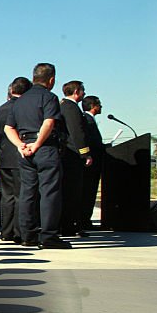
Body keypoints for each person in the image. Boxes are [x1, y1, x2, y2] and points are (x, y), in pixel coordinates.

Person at [4, 62, 68, 249]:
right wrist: (38, 144)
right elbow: (49, 122)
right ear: (52, 79)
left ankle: (27, 235)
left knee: (27, 192)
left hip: (25, 149)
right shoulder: (49, 97)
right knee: (49, 192)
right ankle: (48, 236)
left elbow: (9, 127)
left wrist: (20, 146)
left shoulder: (19, 101)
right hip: (44, 147)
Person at [0, 77, 32, 241]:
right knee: (20, 195)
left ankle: (6, 231)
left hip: (4, 156)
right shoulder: (23, 107)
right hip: (19, 154)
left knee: (7, 196)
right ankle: (18, 232)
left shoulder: (1, 108)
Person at [59, 80, 91, 237]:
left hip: (68, 154)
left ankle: (68, 223)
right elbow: (77, 132)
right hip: (72, 155)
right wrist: (85, 153)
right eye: (82, 90)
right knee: (72, 191)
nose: (84, 94)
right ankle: (69, 225)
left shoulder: (65, 105)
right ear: (76, 91)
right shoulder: (70, 107)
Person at [79, 94, 104, 229]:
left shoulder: (90, 120)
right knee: (87, 192)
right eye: (99, 104)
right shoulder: (87, 120)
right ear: (93, 106)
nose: (101, 107)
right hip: (89, 163)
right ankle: (83, 220)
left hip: (95, 161)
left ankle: (85, 219)